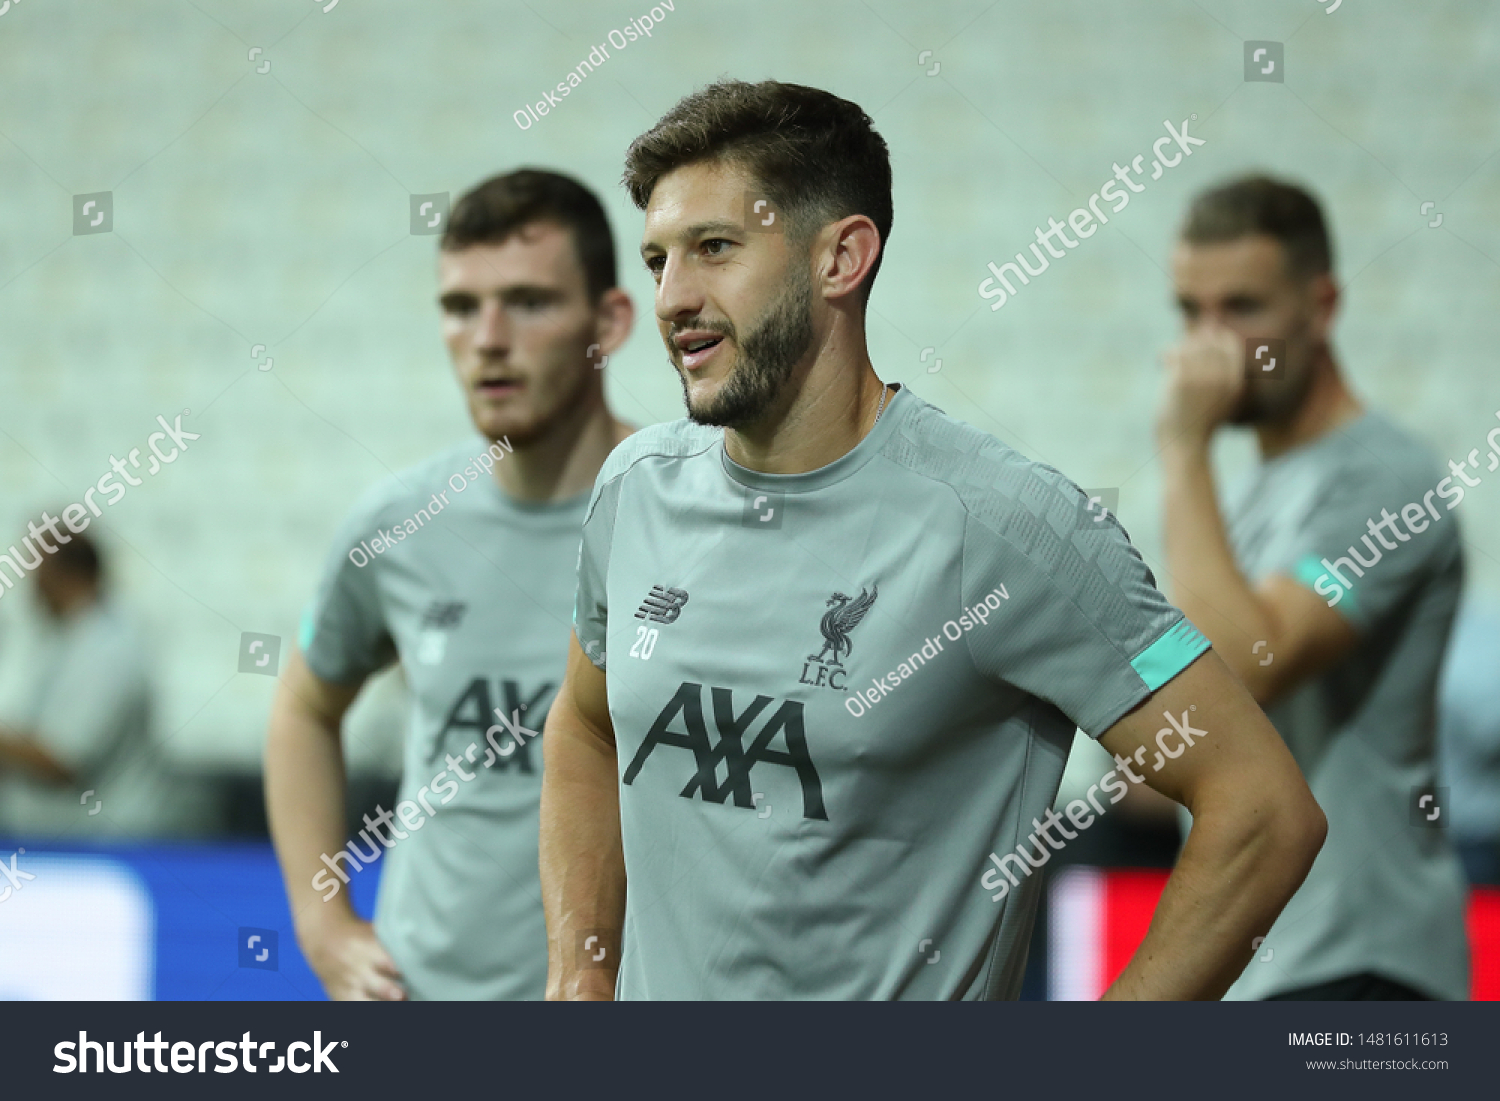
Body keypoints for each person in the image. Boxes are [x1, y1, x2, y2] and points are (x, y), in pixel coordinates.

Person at [538, 79, 1325, 1001]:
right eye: (658, 259)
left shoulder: (1007, 523)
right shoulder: (635, 489)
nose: (673, 297)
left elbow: (1264, 811)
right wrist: (581, 966)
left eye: (714, 249)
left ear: (842, 257)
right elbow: (585, 725)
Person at [265, 169, 634, 1000]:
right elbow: (302, 708)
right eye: (460, 306)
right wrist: (323, 923)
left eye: (529, 301)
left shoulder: (687, 514)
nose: (488, 336)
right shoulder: (397, 526)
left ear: (607, 323)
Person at [1156, 174, 1469, 1000]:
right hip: (1268, 963)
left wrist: (1182, 450)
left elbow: (1253, 661)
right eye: (1191, 312)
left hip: (1367, 964)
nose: (1210, 343)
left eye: (1243, 308)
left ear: (1321, 306)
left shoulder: (1386, 476)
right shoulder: (1249, 503)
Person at [0, 530, 165, 837]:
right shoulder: (66, 640)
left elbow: (63, 760)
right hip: (60, 844)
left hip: (96, 849)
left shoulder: (108, 649)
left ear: (63, 572)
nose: (30, 583)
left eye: (36, 568)